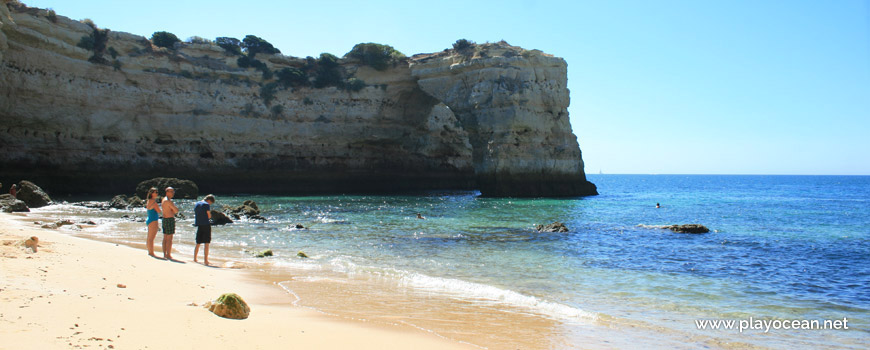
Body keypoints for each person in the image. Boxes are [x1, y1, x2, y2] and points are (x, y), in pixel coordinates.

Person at [193, 194, 215, 265]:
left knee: (198, 242)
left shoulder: (197, 204)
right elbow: (208, 215)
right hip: (206, 224)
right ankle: (205, 260)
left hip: (199, 224)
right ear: (209, 200)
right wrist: (210, 216)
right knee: (206, 243)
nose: (210, 204)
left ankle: (195, 258)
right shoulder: (206, 205)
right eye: (211, 203)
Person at [161, 187, 179, 260]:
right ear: (167, 192)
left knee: (165, 237)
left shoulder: (164, 200)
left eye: (173, 191)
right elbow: (176, 210)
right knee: (169, 238)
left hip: (165, 219)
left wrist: (173, 210)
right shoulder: (168, 201)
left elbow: (174, 210)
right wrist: (173, 210)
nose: (173, 193)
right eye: (171, 191)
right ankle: (168, 254)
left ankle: (165, 254)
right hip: (169, 219)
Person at [145, 187, 162, 257]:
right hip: (153, 220)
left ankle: (150, 251)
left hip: (150, 219)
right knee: (151, 238)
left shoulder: (149, 200)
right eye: (156, 192)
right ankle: (151, 252)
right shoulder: (153, 202)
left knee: (149, 237)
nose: (157, 194)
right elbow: (159, 211)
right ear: (152, 193)